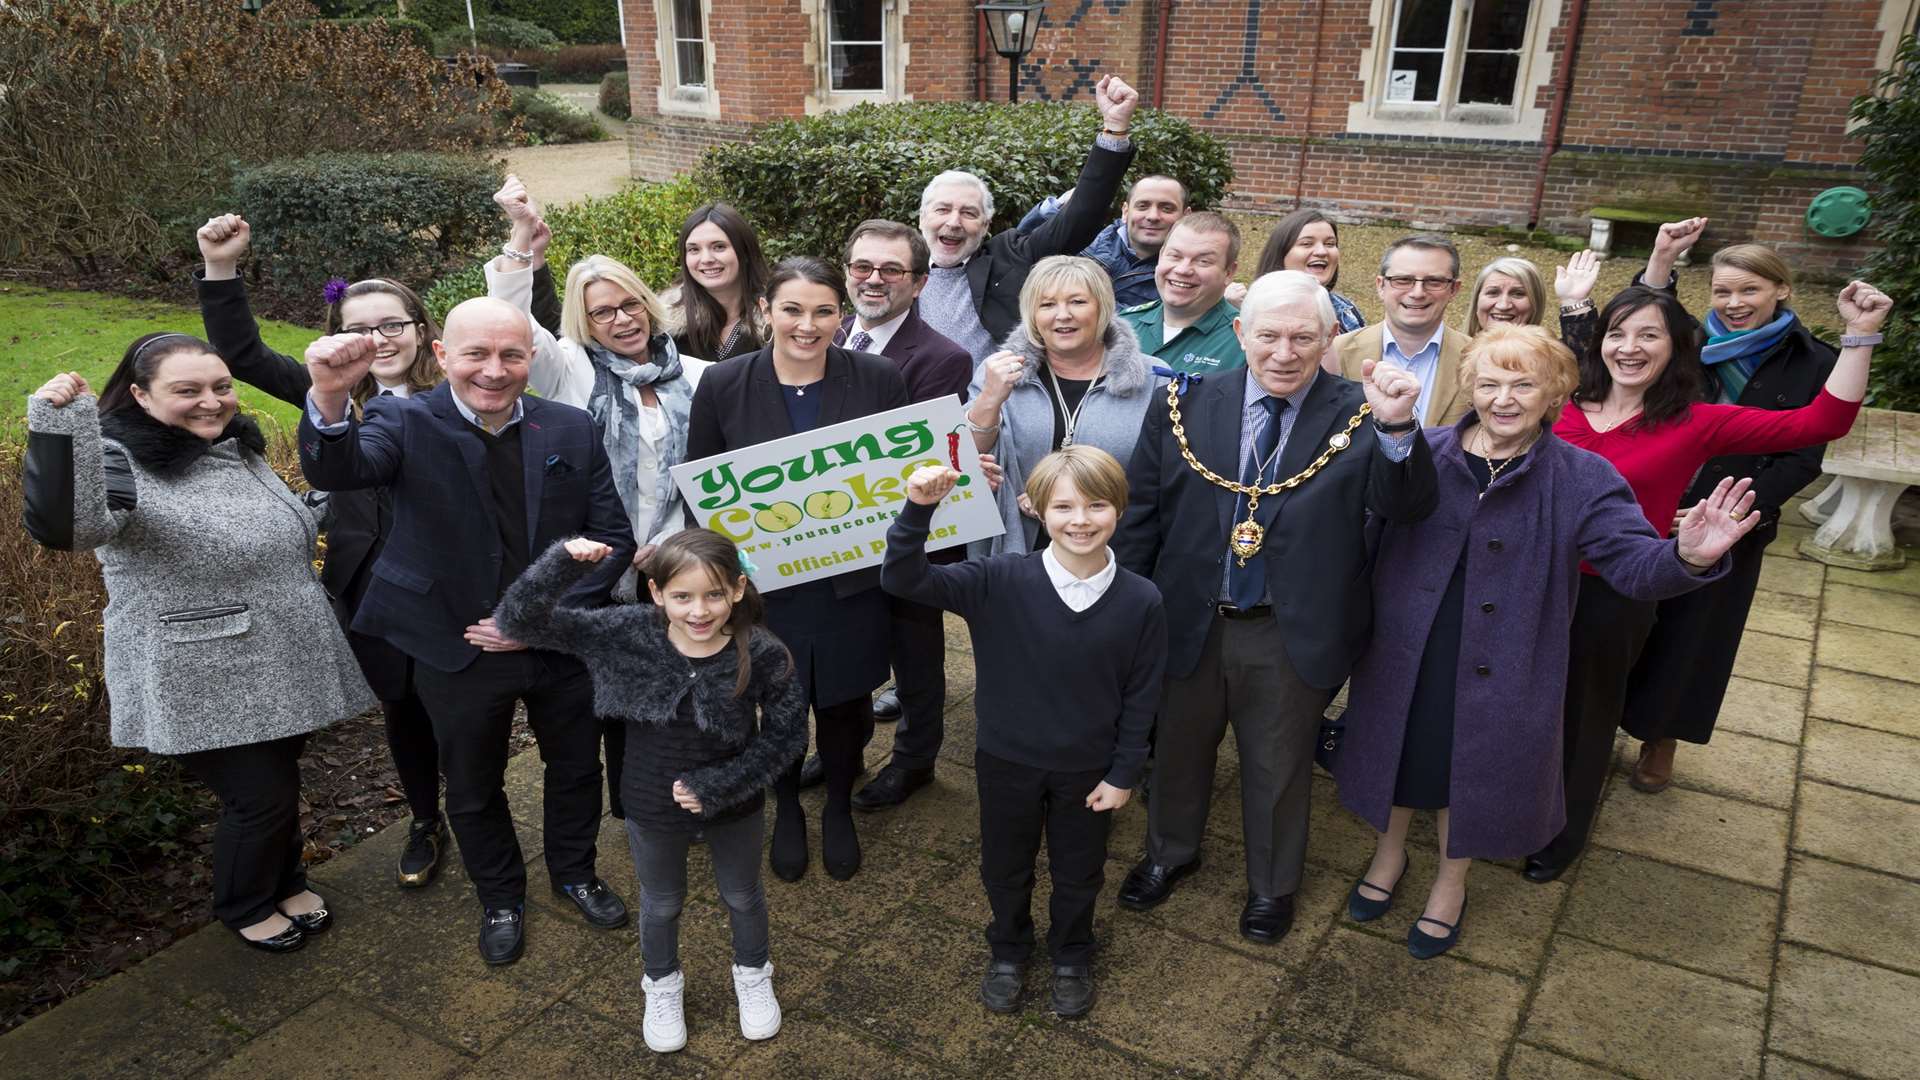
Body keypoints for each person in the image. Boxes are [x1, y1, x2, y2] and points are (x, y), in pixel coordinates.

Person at [1334, 325, 1758, 959]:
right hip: (1407, 645)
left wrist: (1688, 558)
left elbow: (1634, 566)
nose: (1504, 398)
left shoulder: (1583, 477)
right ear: (1467, 388)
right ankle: (1387, 856)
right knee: (1401, 753)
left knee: (1465, 769)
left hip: (1503, 657)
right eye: (1489, 383)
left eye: (1523, 383)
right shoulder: (1424, 449)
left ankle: (1452, 884)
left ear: (1556, 391)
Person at [298, 300, 637, 966]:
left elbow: (613, 538)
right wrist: (330, 396)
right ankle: (501, 896)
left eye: (511, 354)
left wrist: (542, 619)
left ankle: (574, 871)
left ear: (530, 359)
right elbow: (338, 472)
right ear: (442, 353)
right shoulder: (401, 418)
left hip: (556, 638)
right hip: (454, 643)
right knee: (473, 782)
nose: (494, 369)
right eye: (476, 353)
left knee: (574, 768)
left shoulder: (569, 427)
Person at [1523, 279, 1890, 882]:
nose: (1629, 347)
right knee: (1522, 702)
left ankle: (1560, 834)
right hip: (1530, 581)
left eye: (1650, 335)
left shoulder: (1698, 422)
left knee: (1585, 716)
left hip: (1615, 592)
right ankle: (1506, 802)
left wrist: (1860, 336)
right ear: (1599, 341)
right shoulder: (1558, 403)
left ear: (1676, 349)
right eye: (1618, 332)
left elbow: (1823, 421)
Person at [1113, 270, 1438, 944]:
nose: (1284, 352)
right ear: (1241, 333)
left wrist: (1400, 428)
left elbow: (1406, 510)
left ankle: (1272, 886)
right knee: (1175, 750)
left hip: (1292, 629)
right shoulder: (1183, 402)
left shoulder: (1363, 409)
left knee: (1278, 765)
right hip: (1189, 617)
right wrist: (1128, 613)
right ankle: (1170, 853)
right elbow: (1143, 514)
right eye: (1269, 335)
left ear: (1329, 339)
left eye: (1302, 337)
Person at [23, 340, 374, 954]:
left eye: (221, 386)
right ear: (139, 395)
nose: (211, 402)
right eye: (187, 391)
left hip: (281, 651)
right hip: (198, 667)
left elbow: (272, 527)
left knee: (278, 781)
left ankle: (285, 879)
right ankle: (243, 904)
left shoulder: (233, 448)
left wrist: (325, 502)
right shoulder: (117, 458)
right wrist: (59, 429)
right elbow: (74, 530)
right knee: (259, 797)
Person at [191, 212, 454, 890]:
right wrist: (221, 269)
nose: (376, 338)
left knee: (470, 708)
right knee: (405, 710)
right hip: (372, 587)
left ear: (421, 329)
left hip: (460, 582)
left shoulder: (463, 389)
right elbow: (243, 356)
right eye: (357, 327)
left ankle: (484, 811)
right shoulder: (331, 395)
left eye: (391, 324)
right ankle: (426, 819)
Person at [1560, 221, 1846, 793]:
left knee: (1686, 643)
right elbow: (1619, 337)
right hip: (1605, 541)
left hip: (1718, 520)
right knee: (1570, 682)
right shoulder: (1675, 347)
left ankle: (1655, 738)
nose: (1734, 302)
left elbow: (1810, 438)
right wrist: (1650, 264)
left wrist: (1728, 514)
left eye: (1749, 290)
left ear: (1781, 289)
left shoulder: (1800, 361)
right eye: (1723, 290)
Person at [493, 530, 805, 1053]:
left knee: (743, 895)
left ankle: (753, 976)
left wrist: (721, 785)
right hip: (648, 797)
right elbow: (520, 621)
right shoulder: (628, 631)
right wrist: (562, 566)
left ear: (737, 589)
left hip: (736, 801)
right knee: (661, 903)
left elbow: (788, 733)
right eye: (682, 596)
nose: (699, 611)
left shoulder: (763, 651)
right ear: (656, 593)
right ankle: (661, 984)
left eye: (713, 594)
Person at [882, 447, 1166, 1017]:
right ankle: (1009, 948)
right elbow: (903, 577)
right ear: (1034, 509)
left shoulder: (1142, 599)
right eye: (1063, 506)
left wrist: (1123, 773)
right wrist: (917, 509)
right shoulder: (998, 578)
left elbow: (1143, 695)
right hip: (1007, 760)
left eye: (1096, 505)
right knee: (1004, 866)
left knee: (1079, 870)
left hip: (1089, 770)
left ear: (1120, 510)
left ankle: (1071, 953)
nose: (1080, 520)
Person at [484, 176, 713, 820]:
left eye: (630, 304)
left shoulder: (702, 377)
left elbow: (719, 472)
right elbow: (511, 317)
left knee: (682, 689)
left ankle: (685, 796)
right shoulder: (566, 370)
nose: (621, 319)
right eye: (603, 312)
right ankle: (633, 805)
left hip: (676, 564)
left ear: (649, 304)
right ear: (585, 324)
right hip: (600, 566)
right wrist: (520, 238)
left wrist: (674, 544)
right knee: (609, 695)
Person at [685, 256, 910, 883]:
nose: (806, 325)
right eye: (792, 309)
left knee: (843, 702)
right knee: (773, 702)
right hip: (763, 588)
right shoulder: (725, 384)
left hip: (852, 581)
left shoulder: (878, 376)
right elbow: (700, 487)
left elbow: (900, 473)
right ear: (766, 310)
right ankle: (786, 805)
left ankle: (837, 803)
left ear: (842, 315)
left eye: (822, 311)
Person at [826, 219, 975, 811]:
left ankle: (915, 760)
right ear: (847, 274)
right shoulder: (825, 333)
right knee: (847, 647)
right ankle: (846, 747)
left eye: (892, 270)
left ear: (918, 283)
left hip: (907, 536)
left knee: (914, 652)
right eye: (863, 267)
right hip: (833, 530)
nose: (874, 280)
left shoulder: (943, 358)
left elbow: (908, 450)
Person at [916, 73, 1141, 365]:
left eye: (969, 213)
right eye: (942, 210)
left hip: (998, 403)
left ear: (985, 226)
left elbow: (1080, 218)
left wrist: (1114, 130)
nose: (954, 222)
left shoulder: (1010, 256)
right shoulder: (896, 268)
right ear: (922, 218)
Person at [966, 255, 1155, 555]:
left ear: (1103, 308)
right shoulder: (998, 371)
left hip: (1114, 553)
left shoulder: (1153, 380)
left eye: (1078, 302)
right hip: (1016, 551)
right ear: (1031, 314)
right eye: (1047, 304)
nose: (1062, 315)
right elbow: (966, 458)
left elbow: (1159, 478)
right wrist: (990, 397)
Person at [1330, 234, 1471, 426]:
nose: (1418, 293)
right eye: (1403, 280)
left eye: (1434, 282)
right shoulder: (1336, 353)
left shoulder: (1477, 359)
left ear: (1454, 289)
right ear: (1381, 286)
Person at [1013, 175, 1190, 306]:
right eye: (1142, 206)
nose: (1152, 216)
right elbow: (1020, 250)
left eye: (1166, 208)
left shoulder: (1186, 276)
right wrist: (1058, 207)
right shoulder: (1081, 246)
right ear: (1125, 211)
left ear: (1186, 215)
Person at [1119, 212, 1246, 375]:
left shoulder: (1244, 342)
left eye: (1203, 261)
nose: (1182, 270)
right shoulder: (1124, 325)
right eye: (1175, 256)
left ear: (1229, 272)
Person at [1227, 209, 1367, 333]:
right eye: (1306, 244)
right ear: (1281, 254)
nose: (1322, 251)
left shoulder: (1346, 309)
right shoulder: (1246, 309)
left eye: (1330, 244)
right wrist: (1245, 311)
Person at [665, 202, 770, 362]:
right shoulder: (663, 327)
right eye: (694, 249)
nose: (706, 259)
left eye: (719, 247)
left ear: (745, 252)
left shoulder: (776, 323)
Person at [1462, 257, 1546, 337]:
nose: (1503, 306)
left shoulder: (1551, 352)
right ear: (1477, 300)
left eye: (1518, 294)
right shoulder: (1453, 349)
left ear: (1536, 302)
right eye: (1493, 292)